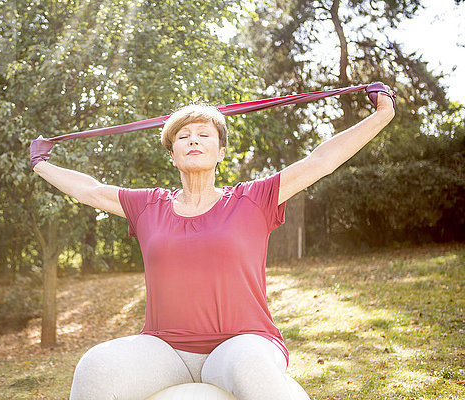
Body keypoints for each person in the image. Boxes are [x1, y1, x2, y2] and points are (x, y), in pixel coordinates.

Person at [30, 85, 395, 400]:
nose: (193, 139)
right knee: (95, 366)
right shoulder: (147, 207)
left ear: (221, 151)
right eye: (183, 136)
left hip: (241, 342)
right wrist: (41, 164)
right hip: (164, 348)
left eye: (204, 134)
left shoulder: (253, 199)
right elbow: (88, 190)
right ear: (172, 155)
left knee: (254, 366)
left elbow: (321, 161)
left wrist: (381, 114)